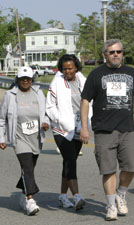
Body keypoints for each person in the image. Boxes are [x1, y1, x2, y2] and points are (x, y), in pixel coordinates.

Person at [80, 39, 134, 221]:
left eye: (119, 51)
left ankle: (121, 193)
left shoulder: (131, 73)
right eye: (112, 52)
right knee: (108, 169)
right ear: (104, 55)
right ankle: (110, 205)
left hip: (127, 128)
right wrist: (84, 127)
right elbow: (85, 100)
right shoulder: (96, 75)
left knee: (131, 165)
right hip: (104, 129)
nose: (116, 54)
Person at [0, 66, 50, 216]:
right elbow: (1, 118)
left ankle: (22, 195)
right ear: (17, 80)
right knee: (27, 168)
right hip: (19, 138)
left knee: (29, 169)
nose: (25, 81)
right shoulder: (10, 95)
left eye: (28, 79)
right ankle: (30, 200)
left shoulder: (39, 94)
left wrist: (46, 123)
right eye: (22, 79)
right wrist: (2, 137)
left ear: (32, 80)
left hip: (36, 137)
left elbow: (46, 113)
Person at [46, 54, 88, 210]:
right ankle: (76, 196)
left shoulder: (83, 81)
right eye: (64, 69)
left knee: (69, 161)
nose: (67, 71)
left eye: (70, 68)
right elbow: (50, 106)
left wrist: (87, 123)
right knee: (70, 160)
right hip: (61, 129)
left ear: (76, 67)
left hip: (78, 128)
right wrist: (59, 120)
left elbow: (90, 102)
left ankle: (63, 196)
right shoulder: (57, 82)